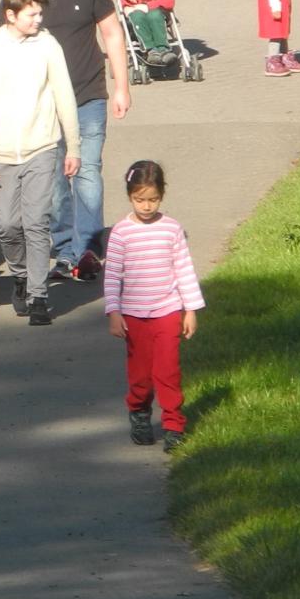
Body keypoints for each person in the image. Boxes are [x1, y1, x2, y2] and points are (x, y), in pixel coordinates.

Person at [15, 0, 132, 280]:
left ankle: (89, 250)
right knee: (52, 181)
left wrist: (122, 86)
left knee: (86, 172)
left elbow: (112, 33)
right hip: (41, 104)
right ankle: (65, 247)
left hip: (87, 96)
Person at [0, 0, 80, 326]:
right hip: (1, 153)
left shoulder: (47, 46)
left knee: (36, 222)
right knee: (6, 225)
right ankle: (20, 274)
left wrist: (72, 146)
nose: (38, 21)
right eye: (31, 14)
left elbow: (64, 96)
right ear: (10, 14)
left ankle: (38, 296)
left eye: (39, 14)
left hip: (42, 147)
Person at [102, 160, 204, 453]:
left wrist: (191, 309)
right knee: (141, 376)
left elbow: (183, 269)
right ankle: (139, 412)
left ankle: (174, 424)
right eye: (139, 200)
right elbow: (112, 275)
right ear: (129, 196)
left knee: (168, 371)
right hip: (134, 315)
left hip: (168, 311)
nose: (146, 206)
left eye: (152, 199)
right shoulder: (122, 232)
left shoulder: (171, 229)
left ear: (162, 195)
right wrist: (114, 311)